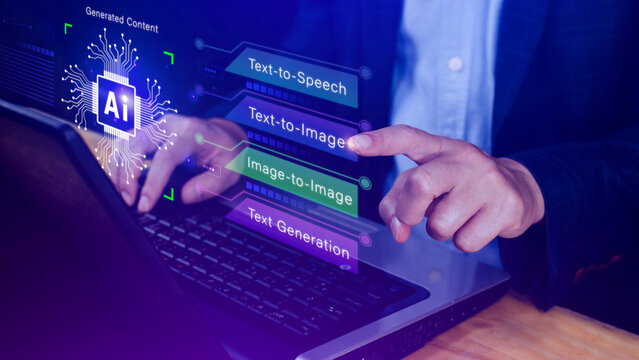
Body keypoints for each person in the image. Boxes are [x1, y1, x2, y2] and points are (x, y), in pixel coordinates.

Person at [99, 1, 639, 332]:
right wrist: (237, 132)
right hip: (367, 272)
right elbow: (309, 71)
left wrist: (531, 184)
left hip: (564, 301)